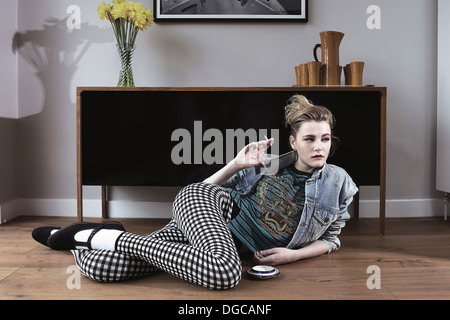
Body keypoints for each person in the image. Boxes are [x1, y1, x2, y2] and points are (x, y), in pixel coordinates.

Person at [32, 95, 358, 290]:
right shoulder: (269, 164)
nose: (318, 147)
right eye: (310, 139)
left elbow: (331, 239)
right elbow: (203, 192)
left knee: (102, 268)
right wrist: (235, 164)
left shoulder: (339, 183)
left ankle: (81, 237)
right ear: (294, 142)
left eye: (325, 139)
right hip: (203, 210)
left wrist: (294, 254)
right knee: (224, 274)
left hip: (225, 246)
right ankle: (97, 235)